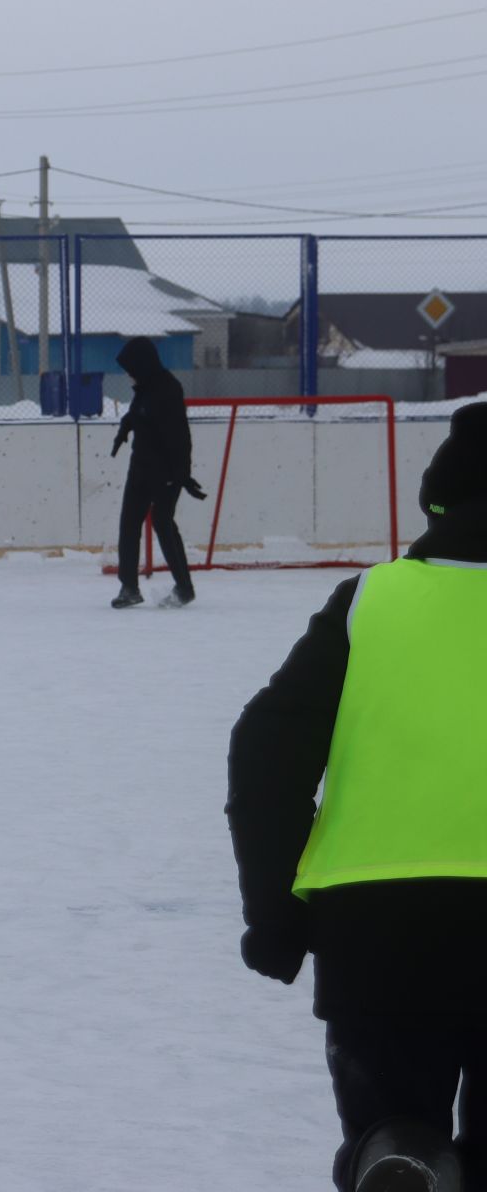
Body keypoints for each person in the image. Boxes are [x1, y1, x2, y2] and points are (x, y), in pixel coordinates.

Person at [228, 402, 487, 1191]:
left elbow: (266, 750)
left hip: (377, 930)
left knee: (395, 1116)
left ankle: (400, 1153)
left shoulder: (368, 604)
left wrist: (274, 912)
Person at [110, 337, 205, 608]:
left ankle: (184, 587)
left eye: (131, 367)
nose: (128, 373)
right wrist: (125, 427)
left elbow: (179, 435)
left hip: (165, 470)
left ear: (142, 364)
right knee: (129, 522)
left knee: (163, 522)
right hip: (140, 466)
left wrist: (182, 474)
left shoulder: (168, 389)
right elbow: (139, 414)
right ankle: (129, 587)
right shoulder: (143, 386)